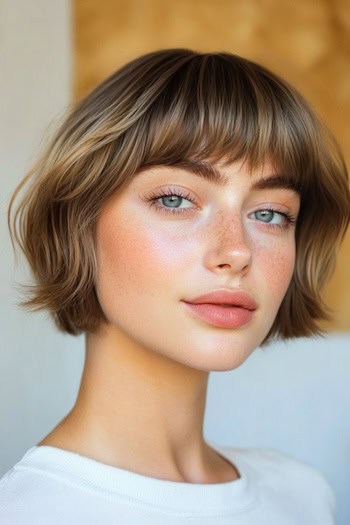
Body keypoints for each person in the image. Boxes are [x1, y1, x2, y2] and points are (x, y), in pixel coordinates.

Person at [1, 49, 349, 524]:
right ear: (78, 223)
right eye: (175, 199)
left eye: (269, 213)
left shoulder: (304, 496)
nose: (237, 250)